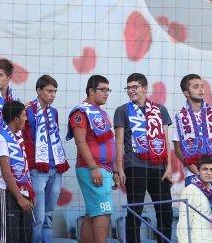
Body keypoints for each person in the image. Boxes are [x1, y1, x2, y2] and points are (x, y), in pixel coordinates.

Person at [114, 73, 173, 243]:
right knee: (135, 211)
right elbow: (118, 142)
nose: (131, 91)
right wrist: (119, 168)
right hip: (135, 166)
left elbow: (165, 140)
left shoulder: (160, 110)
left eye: (135, 87)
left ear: (145, 88)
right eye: (128, 88)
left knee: (165, 211)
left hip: (159, 167)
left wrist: (169, 167)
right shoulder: (122, 110)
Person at [67, 75, 117, 243]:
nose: (106, 93)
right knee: (103, 211)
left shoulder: (101, 113)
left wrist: (115, 169)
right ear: (91, 90)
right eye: (102, 90)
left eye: (107, 90)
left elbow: (109, 141)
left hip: (105, 168)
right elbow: (80, 141)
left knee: (92, 212)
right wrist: (93, 167)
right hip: (93, 168)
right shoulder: (81, 111)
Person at [22, 74, 69, 243]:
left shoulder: (54, 112)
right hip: (37, 170)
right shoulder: (26, 110)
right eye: (49, 91)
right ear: (39, 91)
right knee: (38, 217)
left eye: (55, 91)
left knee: (48, 216)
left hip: (55, 169)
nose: (53, 95)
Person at [173, 74, 212, 192]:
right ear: (186, 93)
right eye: (196, 87)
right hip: (193, 172)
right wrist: (190, 165)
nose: (201, 89)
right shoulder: (180, 117)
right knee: (195, 207)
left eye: (202, 86)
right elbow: (177, 149)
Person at [0, 100, 35, 243]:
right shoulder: (1, 138)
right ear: (16, 119)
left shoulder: (18, 137)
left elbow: (24, 166)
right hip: (8, 193)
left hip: (23, 192)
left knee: (25, 238)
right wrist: (19, 197)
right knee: (10, 238)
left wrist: (28, 192)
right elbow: (6, 171)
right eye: (24, 115)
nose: (26, 118)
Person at [176, 155, 212, 243]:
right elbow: (183, 223)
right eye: (205, 169)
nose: (208, 173)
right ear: (198, 171)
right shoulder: (190, 190)